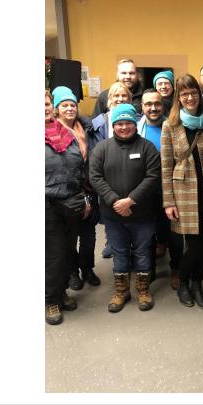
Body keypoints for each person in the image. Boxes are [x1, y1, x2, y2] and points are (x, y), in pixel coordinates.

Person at [89, 103, 161, 312]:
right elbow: (95, 177)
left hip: (142, 213)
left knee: (142, 251)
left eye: (128, 123)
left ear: (134, 124)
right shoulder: (102, 148)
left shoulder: (147, 147)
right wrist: (114, 201)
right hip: (112, 214)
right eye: (119, 124)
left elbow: (153, 176)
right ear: (113, 126)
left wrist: (130, 200)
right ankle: (121, 291)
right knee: (119, 252)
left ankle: (143, 290)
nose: (123, 127)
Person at [161, 74, 203, 309]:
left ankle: (197, 284)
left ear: (199, 94)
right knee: (194, 244)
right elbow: (166, 165)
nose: (190, 97)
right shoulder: (171, 124)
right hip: (184, 190)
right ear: (178, 97)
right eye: (184, 94)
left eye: (193, 92)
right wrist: (168, 201)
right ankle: (183, 282)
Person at [45, 88, 88, 325]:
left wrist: (82, 196)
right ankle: (50, 299)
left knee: (67, 251)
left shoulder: (66, 133)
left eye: (46, 103)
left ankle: (61, 293)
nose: (44, 107)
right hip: (47, 204)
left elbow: (78, 167)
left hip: (71, 201)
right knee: (54, 254)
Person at [52, 86, 101, 292]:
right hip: (69, 191)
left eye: (72, 104)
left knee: (89, 235)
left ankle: (87, 268)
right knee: (70, 236)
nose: (70, 108)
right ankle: (73, 272)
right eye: (64, 105)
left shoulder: (86, 127)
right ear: (57, 109)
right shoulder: (52, 132)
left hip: (89, 187)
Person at [138, 89, 184, 291]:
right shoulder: (136, 129)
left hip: (172, 190)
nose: (153, 107)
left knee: (174, 234)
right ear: (142, 107)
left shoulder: (173, 126)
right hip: (146, 192)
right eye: (148, 104)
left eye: (157, 103)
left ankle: (176, 269)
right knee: (147, 233)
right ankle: (150, 269)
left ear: (163, 105)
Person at [91, 81, 133, 260]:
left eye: (124, 95)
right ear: (109, 100)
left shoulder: (135, 119)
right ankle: (111, 240)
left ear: (130, 99)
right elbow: (94, 145)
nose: (120, 98)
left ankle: (130, 241)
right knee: (108, 206)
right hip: (105, 169)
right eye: (116, 95)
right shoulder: (98, 122)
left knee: (128, 204)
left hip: (129, 169)